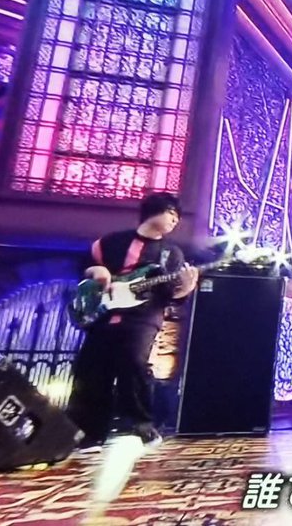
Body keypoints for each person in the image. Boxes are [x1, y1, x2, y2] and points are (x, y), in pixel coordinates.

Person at [68, 192, 199, 451]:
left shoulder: (172, 254)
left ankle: (140, 425)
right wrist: (97, 270)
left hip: (143, 317)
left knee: (134, 362)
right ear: (155, 210)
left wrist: (185, 288)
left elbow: (170, 295)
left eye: (177, 218)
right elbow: (85, 264)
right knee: (92, 367)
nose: (175, 221)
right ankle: (87, 431)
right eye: (171, 214)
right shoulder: (111, 242)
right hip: (104, 314)